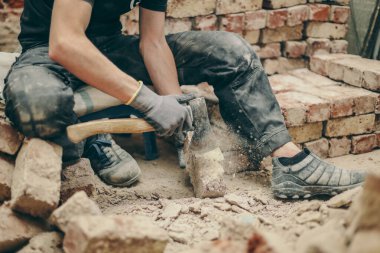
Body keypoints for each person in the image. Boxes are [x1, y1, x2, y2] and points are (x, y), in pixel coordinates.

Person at [3, 0, 365, 198]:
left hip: (110, 50)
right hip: (48, 54)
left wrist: (174, 105)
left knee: (231, 53)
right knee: (40, 105)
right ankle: (93, 134)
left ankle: (290, 164)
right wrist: (145, 100)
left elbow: (153, 41)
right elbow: (65, 42)